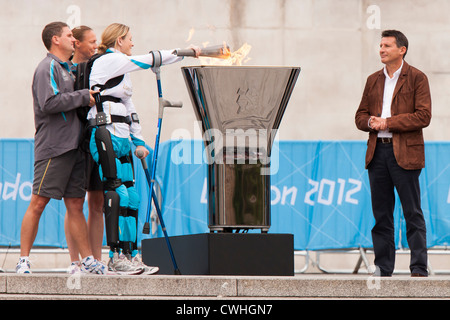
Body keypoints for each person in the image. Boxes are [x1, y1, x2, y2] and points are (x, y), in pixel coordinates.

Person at [87, 23, 199, 274]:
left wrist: (138, 141)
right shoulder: (109, 61)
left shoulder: (123, 71)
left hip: (123, 137)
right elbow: (150, 59)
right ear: (118, 41)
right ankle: (115, 256)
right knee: (118, 194)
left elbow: (129, 108)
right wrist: (185, 53)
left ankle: (131, 254)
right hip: (104, 134)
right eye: (129, 39)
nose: (132, 44)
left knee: (133, 197)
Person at [16, 22, 108, 274]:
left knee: (76, 204)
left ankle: (86, 259)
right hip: (54, 147)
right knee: (38, 202)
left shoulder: (67, 69)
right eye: (69, 35)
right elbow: (48, 103)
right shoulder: (47, 67)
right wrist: (82, 96)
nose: (73, 39)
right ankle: (23, 260)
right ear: (56, 39)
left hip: (75, 147)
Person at [355, 30, 432, 277]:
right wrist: (371, 123)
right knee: (381, 215)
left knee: (412, 212)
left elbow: (423, 116)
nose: (381, 49)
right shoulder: (372, 80)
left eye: (387, 45)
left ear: (402, 50)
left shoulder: (417, 78)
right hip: (377, 154)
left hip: (406, 155)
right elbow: (360, 116)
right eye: (380, 45)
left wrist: (387, 122)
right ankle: (383, 269)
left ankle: (419, 268)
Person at [64, 25, 105, 274]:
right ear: (76, 44)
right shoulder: (63, 69)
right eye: (91, 42)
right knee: (74, 203)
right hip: (73, 144)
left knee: (97, 202)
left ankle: (96, 260)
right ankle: (74, 262)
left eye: (97, 41)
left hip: (96, 141)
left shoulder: (99, 65)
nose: (95, 46)